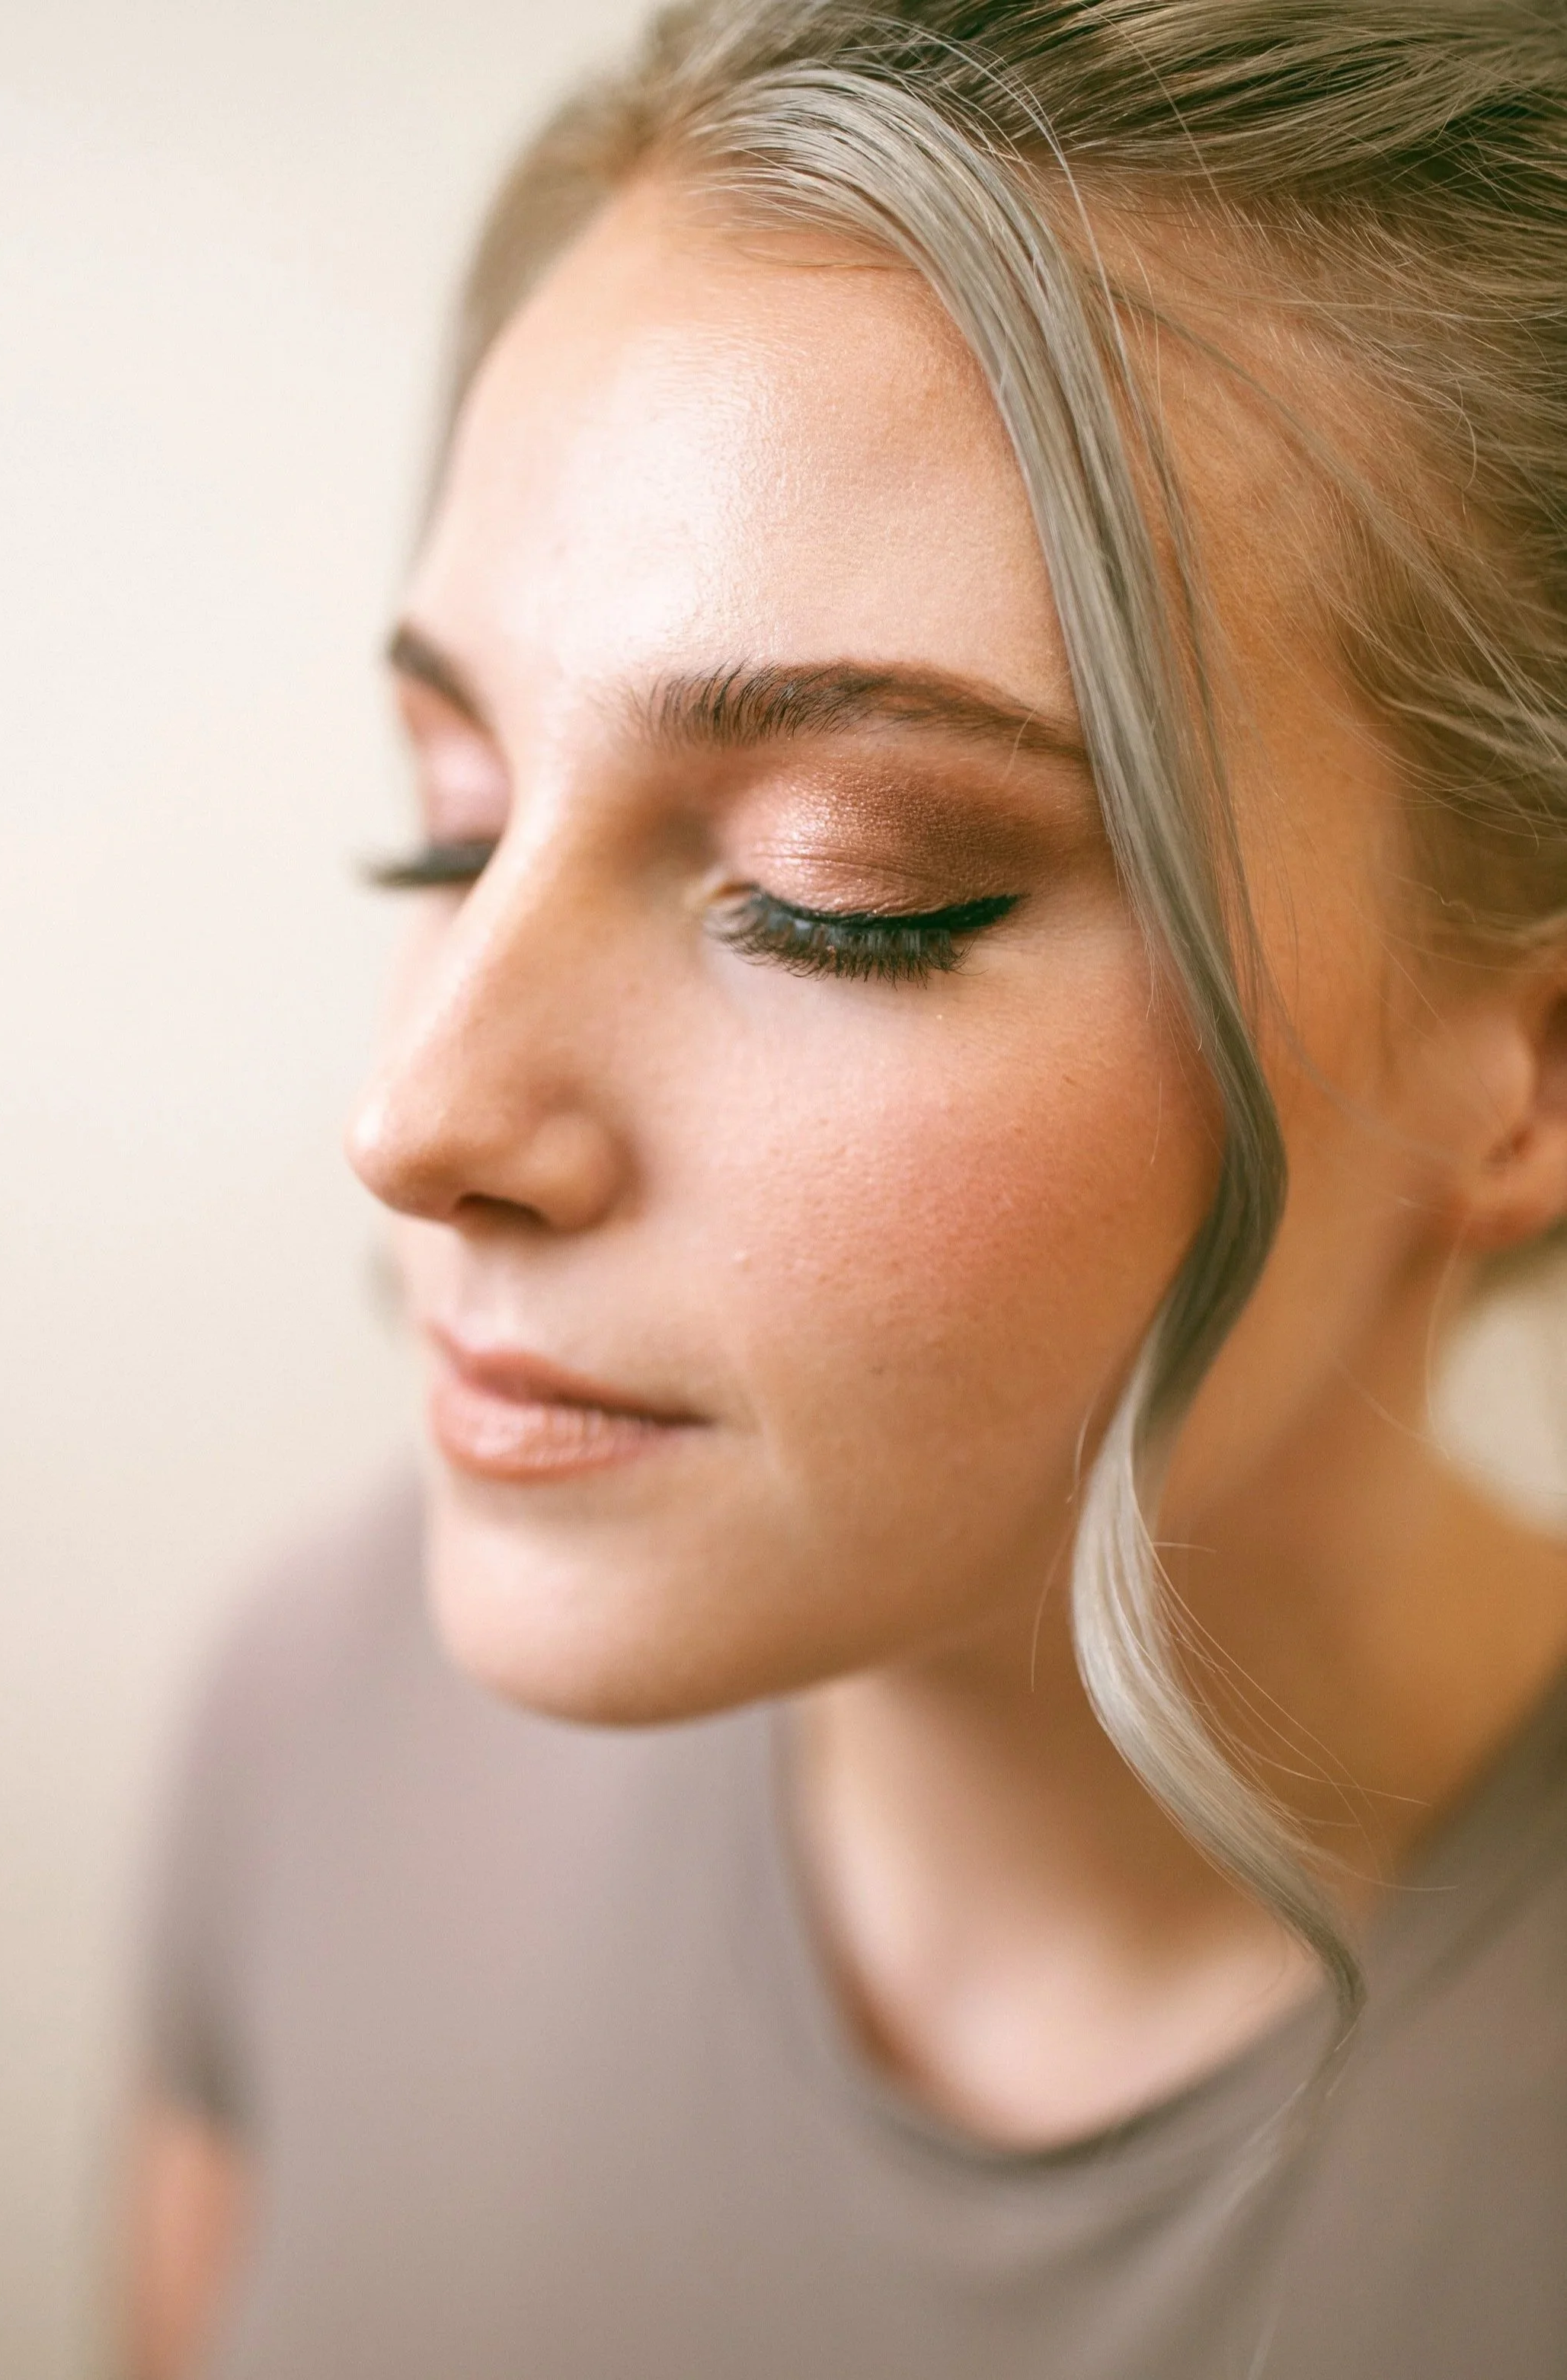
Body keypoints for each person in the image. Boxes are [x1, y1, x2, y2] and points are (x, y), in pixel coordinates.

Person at [122, 4, 1567, 2374]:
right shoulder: (320, 1728)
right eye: (451, 822)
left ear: (1526, 1068)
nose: (419, 1115)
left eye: (844, 888)